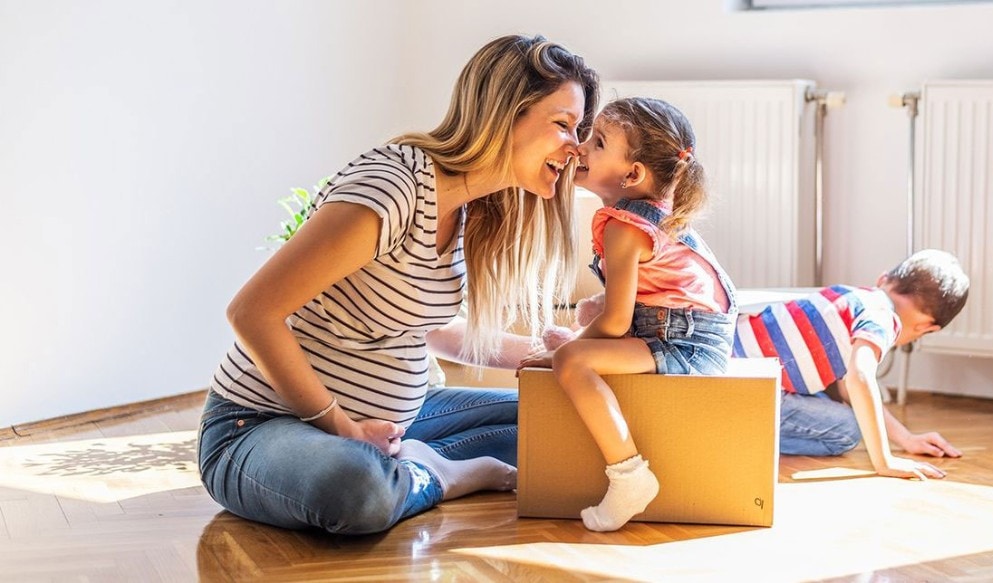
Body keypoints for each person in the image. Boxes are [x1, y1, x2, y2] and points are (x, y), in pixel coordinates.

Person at [196, 34, 600, 535]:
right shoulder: (392, 187)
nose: (577, 146)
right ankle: (438, 475)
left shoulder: (468, 206)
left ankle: (408, 464)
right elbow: (251, 312)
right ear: (503, 114)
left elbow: (427, 326)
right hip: (262, 426)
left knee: (570, 419)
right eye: (563, 124)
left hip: (397, 425)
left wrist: (558, 355)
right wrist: (342, 429)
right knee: (357, 489)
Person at [520, 97, 738, 532]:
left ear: (632, 174)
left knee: (570, 360)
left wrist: (564, 353)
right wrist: (596, 313)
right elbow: (652, 293)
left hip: (687, 341)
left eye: (597, 142)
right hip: (686, 329)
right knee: (583, 336)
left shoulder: (625, 226)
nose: (579, 147)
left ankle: (629, 475)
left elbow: (618, 323)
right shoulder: (649, 215)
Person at [733, 249, 969, 479]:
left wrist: (905, 438)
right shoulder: (884, 319)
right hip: (749, 388)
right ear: (926, 328)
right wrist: (884, 461)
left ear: (883, 279)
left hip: (724, 366)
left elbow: (849, 387)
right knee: (847, 431)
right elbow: (860, 377)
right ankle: (732, 433)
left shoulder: (847, 295)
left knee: (834, 402)